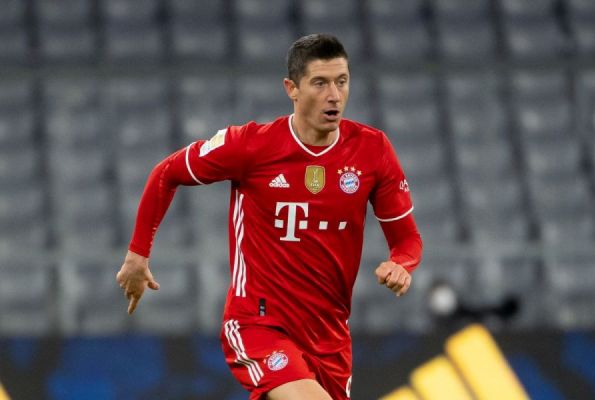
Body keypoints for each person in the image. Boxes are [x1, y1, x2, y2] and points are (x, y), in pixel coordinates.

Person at [116, 33, 423, 400]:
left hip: (329, 335)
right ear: (292, 88)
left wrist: (402, 263)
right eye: (320, 83)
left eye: (342, 82)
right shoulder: (251, 145)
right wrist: (137, 255)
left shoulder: (372, 150)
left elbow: (407, 239)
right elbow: (167, 173)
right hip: (258, 323)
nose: (334, 95)